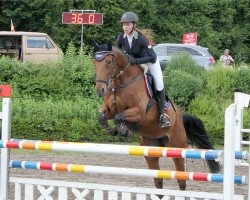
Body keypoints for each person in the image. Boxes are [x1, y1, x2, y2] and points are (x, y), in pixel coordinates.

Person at [115, 11, 171, 128]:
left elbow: (152, 56)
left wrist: (136, 61)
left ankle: (162, 115)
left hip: (150, 62)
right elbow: (116, 53)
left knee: (159, 84)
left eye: (128, 24)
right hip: (136, 63)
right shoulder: (121, 37)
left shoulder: (141, 39)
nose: (125, 27)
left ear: (134, 25)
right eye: (124, 24)